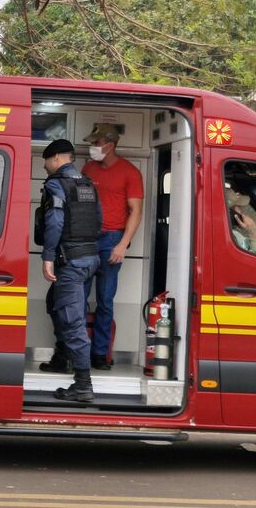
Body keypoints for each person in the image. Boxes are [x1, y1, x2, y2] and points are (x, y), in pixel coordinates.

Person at [36, 139, 102, 402]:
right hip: (89, 258)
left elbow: (54, 222)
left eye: (45, 162)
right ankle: (61, 357)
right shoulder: (87, 184)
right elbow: (99, 220)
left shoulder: (56, 184)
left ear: (55, 159)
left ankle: (83, 385)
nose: (45, 166)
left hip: (71, 261)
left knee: (72, 320)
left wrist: (48, 256)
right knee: (54, 302)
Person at [80, 124, 143, 370]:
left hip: (111, 242)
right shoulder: (88, 168)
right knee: (79, 299)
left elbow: (136, 211)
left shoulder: (129, 172)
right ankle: (79, 353)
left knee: (105, 300)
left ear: (110, 144)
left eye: (96, 143)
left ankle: (99, 355)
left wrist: (122, 244)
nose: (93, 148)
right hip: (86, 239)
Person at [225, 186, 256, 257]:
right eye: (239, 207)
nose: (242, 211)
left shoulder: (231, 232)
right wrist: (253, 236)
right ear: (232, 212)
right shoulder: (235, 236)